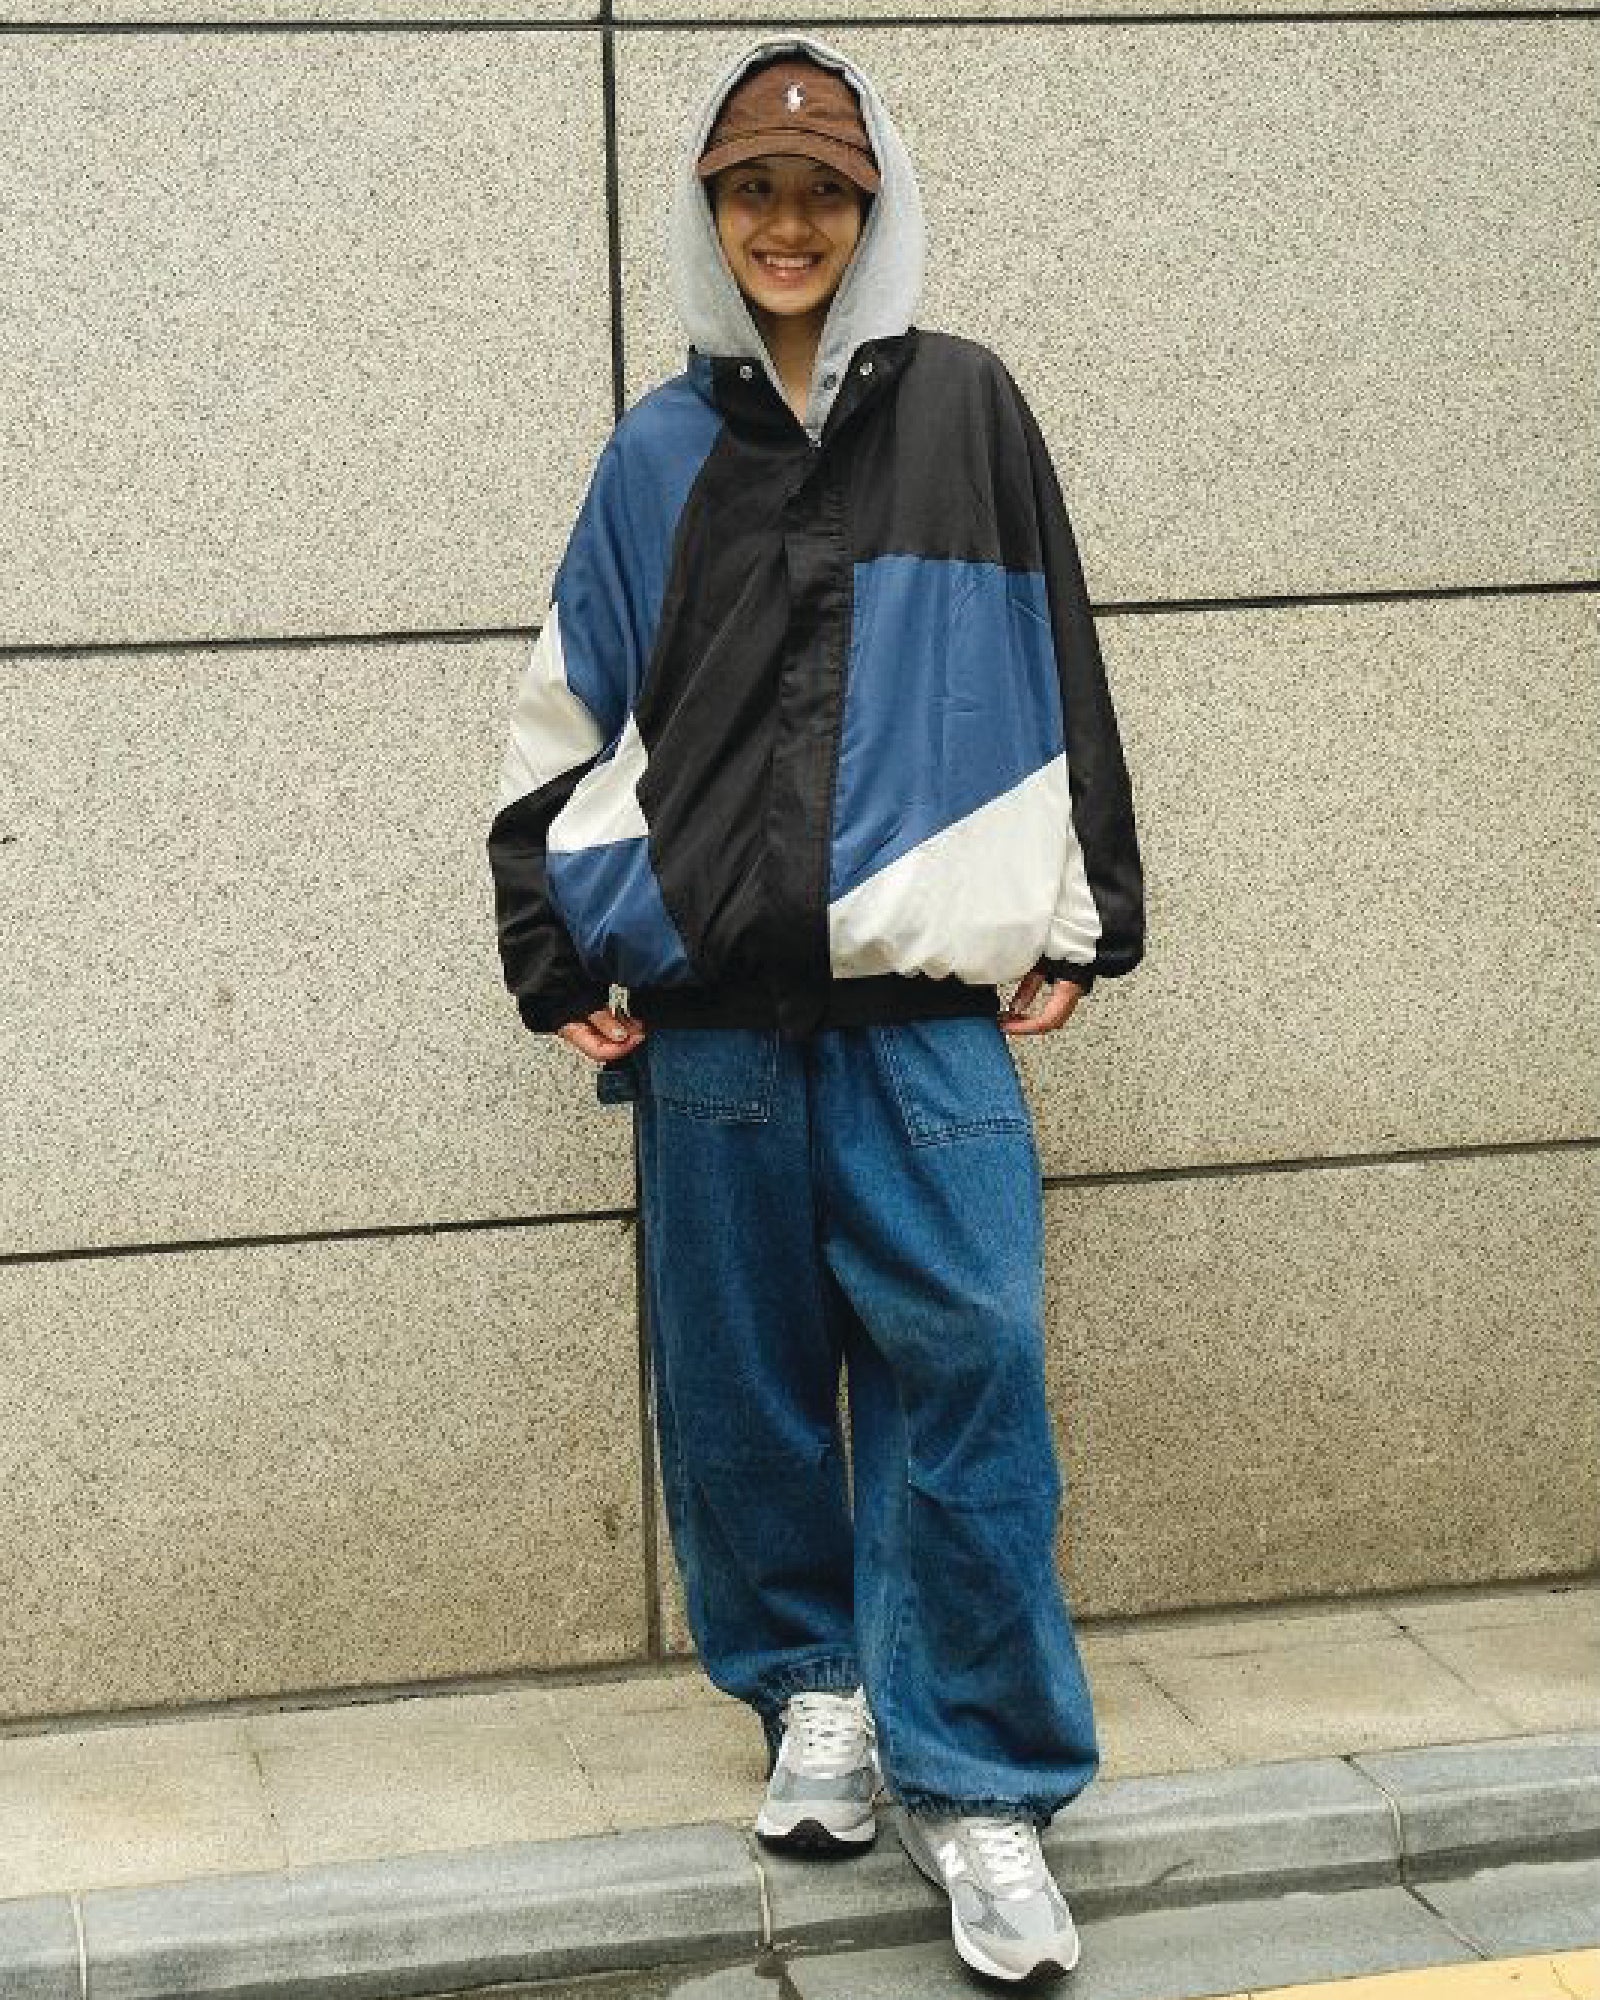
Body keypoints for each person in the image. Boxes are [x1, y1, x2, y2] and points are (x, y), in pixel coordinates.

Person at [486, 31, 1144, 1985]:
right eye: (749, 189)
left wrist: (1085, 906)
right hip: (707, 1032)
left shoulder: (967, 411)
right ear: (710, 216)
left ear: (874, 209)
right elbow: (567, 708)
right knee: (746, 1395)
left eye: (822, 188)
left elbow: (1056, 643)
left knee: (973, 1377)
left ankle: (988, 1790)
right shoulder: (653, 452)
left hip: (916, 1025)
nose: (786, 220)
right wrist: (559, 946)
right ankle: (815, 1697)